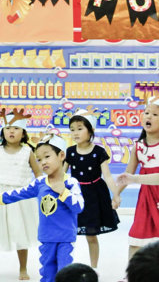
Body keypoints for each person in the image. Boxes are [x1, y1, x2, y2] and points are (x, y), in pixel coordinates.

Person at [0, 133, 84, 282]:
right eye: (39, 159)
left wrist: (64, 192)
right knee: (47, 270)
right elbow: (19, 193)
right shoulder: (40, 183)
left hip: (66, 237)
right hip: (46, 236)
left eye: (47, 156)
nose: (43, 162)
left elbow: (79, 206)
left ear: (61, 155)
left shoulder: (71, 183)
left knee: (64, 271)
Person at [0, 108, 40, 279]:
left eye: (16, 128)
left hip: (19, 196)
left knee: (21, 232)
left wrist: (44, 189)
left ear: (23, 132)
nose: (11, 131)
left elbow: (38, 173)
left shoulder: (28, 152)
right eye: (8, 128)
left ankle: (23, 268)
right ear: (3, 131)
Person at [65, 107, 120, 268]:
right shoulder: (70, 152)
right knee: (67, 233)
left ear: (91, 130)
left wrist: (116, 194)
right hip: (75, 195)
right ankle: (64, 266)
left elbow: (107, 176)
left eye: (79, 129)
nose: (75, 133)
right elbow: (61, 175)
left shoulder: (99, 152)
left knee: (91, 235)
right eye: (72, 129)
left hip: (94, 196)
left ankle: (94, 268)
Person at [116, 96, 159, 260]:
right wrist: (116, 194)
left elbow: (132, 177)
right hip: (146, 199)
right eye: (147, 113)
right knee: (137, 238)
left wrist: (135, 179)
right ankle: (133, 271)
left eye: (155, 114)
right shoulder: (138, 146)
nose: (149, 117)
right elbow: (128, 174)